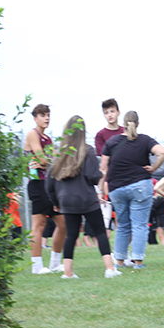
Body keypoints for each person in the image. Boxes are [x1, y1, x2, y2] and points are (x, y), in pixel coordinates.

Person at [46, 116, 122, 279]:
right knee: (100, 232)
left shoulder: (59, 154)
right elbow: (92, 176)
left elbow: (49, 183)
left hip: (66, 200)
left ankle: (68, 272)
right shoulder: (87, 150)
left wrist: (56, 202)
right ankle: (110, 269)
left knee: (71, 235)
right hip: (86, 198)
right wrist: (100, 176)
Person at [100, 111, 164, 269]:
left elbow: (103, 168)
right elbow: (163, 153)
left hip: (116, 188)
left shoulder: (111, 142)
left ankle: (119, 261)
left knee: (123, 225)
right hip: (140, 186)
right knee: (139, 225)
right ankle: (137, 261)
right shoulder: (145, 140)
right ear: (137, 124)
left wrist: (100, 190)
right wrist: (153, 168)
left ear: (123, 124)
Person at [23, 103, 66, 274]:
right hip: (37, 184)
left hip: (49, 184)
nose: (46, 118)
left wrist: (50, 162)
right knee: (39, 225)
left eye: (48, 115)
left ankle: (55, 262)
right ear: (35, 118)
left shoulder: (48, 139)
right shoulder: (32, 134)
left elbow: (55, 162)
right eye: (42, 115)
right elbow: (42, 159)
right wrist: (50, 162)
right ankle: (37, 266)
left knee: (63, 224)